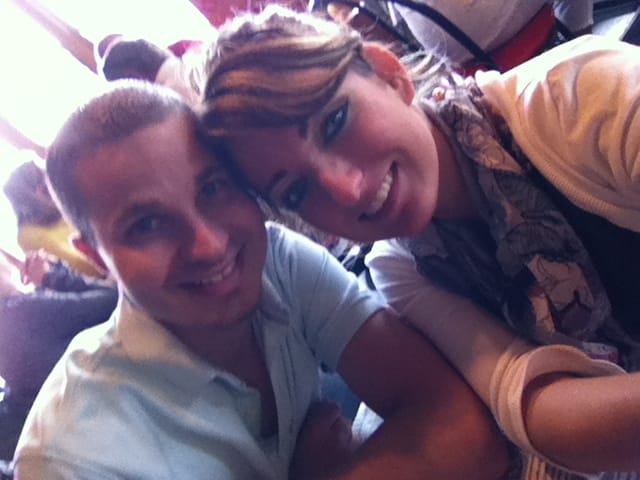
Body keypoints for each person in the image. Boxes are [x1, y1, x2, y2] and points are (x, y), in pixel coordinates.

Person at [199, 5, 640, 478]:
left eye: (334, 122)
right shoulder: (401, 269)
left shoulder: (579, 95)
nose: (349, 190)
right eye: (297, 191)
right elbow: (535, 409)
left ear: (389, 74)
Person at [12, 81, 508, 480]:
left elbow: (465, 431)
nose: (209, 245)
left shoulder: (274, 260)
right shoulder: (71, 460)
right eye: (146, 225)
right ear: (94, 256)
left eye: (212, 188)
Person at [3, 160, 105, 278]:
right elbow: (81, 265)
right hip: (100, 279)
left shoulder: (60, 210)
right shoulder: (29, 235)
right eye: (48, 184)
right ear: (40, 192)